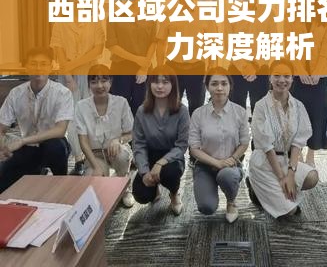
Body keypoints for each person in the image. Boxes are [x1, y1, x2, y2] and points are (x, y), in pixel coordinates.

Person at [248, 59, 318, 218]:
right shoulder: (260, 106)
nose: (282, 80)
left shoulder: (298, 106)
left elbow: (298, 143)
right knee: (290, 212)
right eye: (277, 75)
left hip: (287, 160)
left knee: (312, 177)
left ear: (292, 79)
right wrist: (282, 178)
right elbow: (267, 147)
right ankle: (256, 188)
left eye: (287, 76)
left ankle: (272, 193)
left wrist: (291, 174)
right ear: (270, 78)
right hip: (265, 163)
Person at [50, 0, 105, 175]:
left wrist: (73, 64)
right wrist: (68, 75)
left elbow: (97, 49)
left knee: (91, 115)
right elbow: (58, 51)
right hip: (68, 77)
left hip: (90, 75)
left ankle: (93, 156)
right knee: (71, 118)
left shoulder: (95, 20)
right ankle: (79, 158)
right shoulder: (60, 21)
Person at [0, 47, 73, 193]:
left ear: (51, 67)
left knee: (55, 147)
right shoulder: (16, 93)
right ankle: (35, 171)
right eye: (33, 64)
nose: (38, 68)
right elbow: (1, 128)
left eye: (43, 64)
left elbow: (60, 130)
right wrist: (2, 148)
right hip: (28, 148)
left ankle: (62, 185)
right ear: (26, 67)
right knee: (3, 179)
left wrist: (22, 141)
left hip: (55, 145)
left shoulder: (62, 93)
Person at [189, 68, 249, 223]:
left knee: (227, 176)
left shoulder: (240, 112)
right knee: (206, 207)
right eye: (214, 84)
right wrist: (217, 163)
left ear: (230, 86)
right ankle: (208, 185)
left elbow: (244, 142)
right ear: (207, 87)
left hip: (230, 165)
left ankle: (231, 201)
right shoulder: (198, 114)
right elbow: (194, 148)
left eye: (224, 83)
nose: (219, 88)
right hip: (205, 166)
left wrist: (233, 159)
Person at [75, 65, 135, 208]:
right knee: (93, 187)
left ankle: (125, 187)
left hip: (116, 150)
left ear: (111, 82)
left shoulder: (121, 102)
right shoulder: (81, 106)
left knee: (122, 156)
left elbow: (131, 132)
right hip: (94, 154)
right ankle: (102, 175)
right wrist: (96, 167)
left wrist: (118, 140)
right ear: (89, 85)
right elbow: (83, 141)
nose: (99, 86)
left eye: (104, 80)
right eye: (94, 81)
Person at [156, 0, 216, 116]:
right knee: (172, 106)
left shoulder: (205, 13)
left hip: (197, 67)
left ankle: (194, 131)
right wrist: (160, 67)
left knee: (197, 106)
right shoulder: (167, 13)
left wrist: (212, 66)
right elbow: (161, 43)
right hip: (173, 67)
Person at [132, 67, 189, 214]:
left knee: (170, 173)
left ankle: (174, 194)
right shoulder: (142, 111)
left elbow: (181, 145)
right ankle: (154, 188)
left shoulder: (182, 111)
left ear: (173, 85)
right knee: (141, 195)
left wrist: (161, 163)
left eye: (165, 82)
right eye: (156, 82)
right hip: (149, 155)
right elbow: (138, 144)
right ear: (149, 84)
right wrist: (144, 171)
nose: (160, 86)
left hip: (172, 158)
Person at [290, 0, 327, 166]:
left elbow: (326, 47)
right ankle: (296, 155)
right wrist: (300, 70)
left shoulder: (325, 12)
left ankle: (311, 156)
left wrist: (316, 72)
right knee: (296, 114)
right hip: (297, 73)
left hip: (319, 73)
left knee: (317, 113)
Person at [107, 0, 158, 116]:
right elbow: (112, 45)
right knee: (119, 110)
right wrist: (137, 59)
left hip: (144, 69)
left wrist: (144, 67)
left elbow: (153, 42)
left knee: (143, 109)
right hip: (120, 69)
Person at [226, 0, 271, 115]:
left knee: (261, 113)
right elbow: (227, 43)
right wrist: (244, 66)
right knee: (235, 112)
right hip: (236, 68)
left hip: (261, 69)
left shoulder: (268, 12)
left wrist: (255, 65)